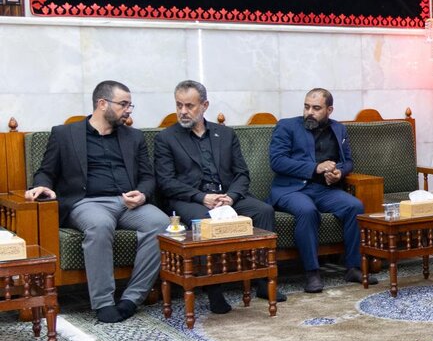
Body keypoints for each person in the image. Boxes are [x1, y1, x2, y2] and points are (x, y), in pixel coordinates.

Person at [24, 80, 170, 323]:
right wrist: (42, 186)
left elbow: (147, 176)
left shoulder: (133, 137)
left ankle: (132, 298)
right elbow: (46, 171)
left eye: (130, 105)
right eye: (124, 104)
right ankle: (103, 302)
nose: (128, 110)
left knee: (160, 223)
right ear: (102, 104)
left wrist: (142, 194)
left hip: (127, 203)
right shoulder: (64, 134)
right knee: (101, 225)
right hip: (86, 202)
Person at [153, 80, 287, 312]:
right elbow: (166, 183)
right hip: (190, 199)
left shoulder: (225, 134)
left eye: (189, 106)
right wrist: (202, 197)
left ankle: (263, 282)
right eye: (178, 105)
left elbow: (242, 173)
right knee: (206, 219)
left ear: (204, 105)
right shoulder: (166, 139)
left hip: (226, 194)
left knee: (263, 211)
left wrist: (232, 196)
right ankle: (214, 290)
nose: (183, 111)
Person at [268, 89, 374, 293]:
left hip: (324, 189)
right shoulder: (286, 126)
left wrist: (338, 174)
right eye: (306, 106)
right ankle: (312, 273)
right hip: (292, 189)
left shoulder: (339, 130)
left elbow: (348, 162)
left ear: (329, 110)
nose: (309, 112)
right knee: (307, 211)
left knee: (355, 206)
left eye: (316, 108)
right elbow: (277, 161)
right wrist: (315, 168)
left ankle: (353, 267)